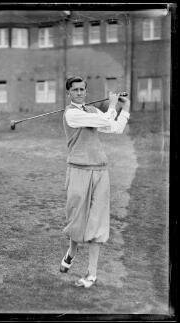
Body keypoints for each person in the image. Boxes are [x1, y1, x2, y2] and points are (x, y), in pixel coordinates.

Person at [60, 76, 130, 288]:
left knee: (97, 222)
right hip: (78, 171)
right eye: (75, 90)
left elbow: (114, 127)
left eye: (82, 89)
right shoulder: (71, 114)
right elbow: (105, 120)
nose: (80, 93)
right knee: (76, 218)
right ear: (69, 93)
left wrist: (124, 108)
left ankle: (91, 274)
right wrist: (111, 105)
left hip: (100, 171)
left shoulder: (92, 111)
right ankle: (72, 250)